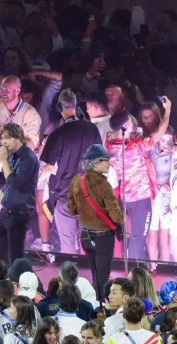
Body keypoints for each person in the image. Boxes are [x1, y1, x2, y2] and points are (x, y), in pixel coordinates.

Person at [105, 96, 171, 260]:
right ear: (126, 126)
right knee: (138, 239)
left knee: (131, 238)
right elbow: (160, 132)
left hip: (125, 199)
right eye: (129, 121)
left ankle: (131, 272)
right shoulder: (136, 147)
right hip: (141, 201)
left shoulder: (110, 145)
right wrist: (168, 110)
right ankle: (136, 276)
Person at [40, 90, 102, 254]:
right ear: (75, 106)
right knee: (90, 245)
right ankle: (91, 278)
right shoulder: (92, 130)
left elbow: (47, 167)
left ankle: (72, 278)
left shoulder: (57, 134)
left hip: (66, 195)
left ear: (60, 107)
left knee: (68, 245)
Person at [67, 144, 124, 298]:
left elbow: (71, 210)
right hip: (103, 238)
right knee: (102, 278)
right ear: (95, 163)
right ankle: (98, 309)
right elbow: (117, 217)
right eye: (105, 160)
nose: (109, 163)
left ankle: (93, 302)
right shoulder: (103, 184)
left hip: (85, 236)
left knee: (95, 274)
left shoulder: (76, 180)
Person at [0, 123, 39, 263]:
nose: (3, 142)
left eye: (7, 138)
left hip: (19, 214)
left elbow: (14, 182)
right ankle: (0, 282)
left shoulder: (29, 158)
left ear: (18, 137)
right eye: (2, 138)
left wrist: (4, 160)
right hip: (6, 212)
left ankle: (16, 283)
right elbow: (1, 179)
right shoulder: (11, 156)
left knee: (15, 257)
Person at [0, 75, 41, 150]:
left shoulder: (31, 113)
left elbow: (31, 144)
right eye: (1, 90)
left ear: (17, 91)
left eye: (7, 91)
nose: (3, 93)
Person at [147, 127, 174, 268]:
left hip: (166, 199)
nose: (165, 143)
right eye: (163, 139)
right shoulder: (149, 151)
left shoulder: (173, 155)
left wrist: (167, 184)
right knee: (152, 235)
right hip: (151, 197)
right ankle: (153, 268)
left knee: (164, 236)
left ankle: (165, 268)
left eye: (169, 140)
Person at [103, 278, 135, 343]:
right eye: (110, 292)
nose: (109, 296)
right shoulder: (141, 317)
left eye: (114, 293)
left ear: (126, 297)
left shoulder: (111, 321)